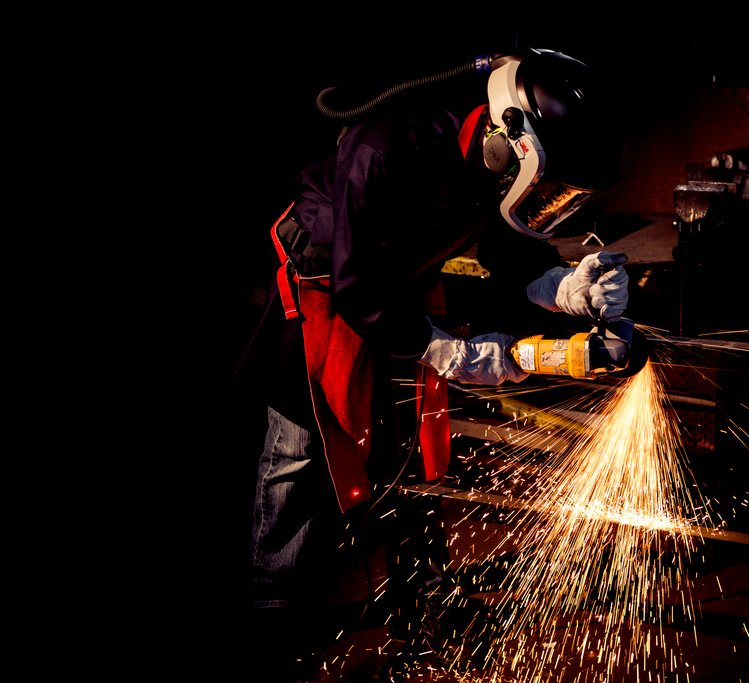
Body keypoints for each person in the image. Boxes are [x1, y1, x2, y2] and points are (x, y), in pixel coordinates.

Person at [232, 47, 630, 681]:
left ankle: (424, 592)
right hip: (323, 280)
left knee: (411, 448)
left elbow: (506, 248)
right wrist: (449, 352)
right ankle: (273, 605)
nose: (545, 196)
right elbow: (358, 288)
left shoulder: (489, 163)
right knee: (301, 444)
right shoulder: (384, 148)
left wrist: (566, 287)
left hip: (399, 280)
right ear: (513, 145)